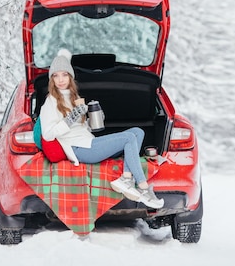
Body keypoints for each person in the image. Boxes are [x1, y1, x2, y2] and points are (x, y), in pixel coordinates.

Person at [39, 49, 164, 209]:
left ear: (70, 76)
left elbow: (85, 128)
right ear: (51, 79)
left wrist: (95, 116)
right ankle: (143, 188)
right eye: (56, 76)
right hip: (79, 149)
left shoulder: (73, 98)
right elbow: (48, 135)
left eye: (64, 74)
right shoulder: (50, 103)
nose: (61, 79)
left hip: (89, 142)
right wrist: (71, 117)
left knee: (137, 132)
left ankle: (126, 178)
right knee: (128, 138)